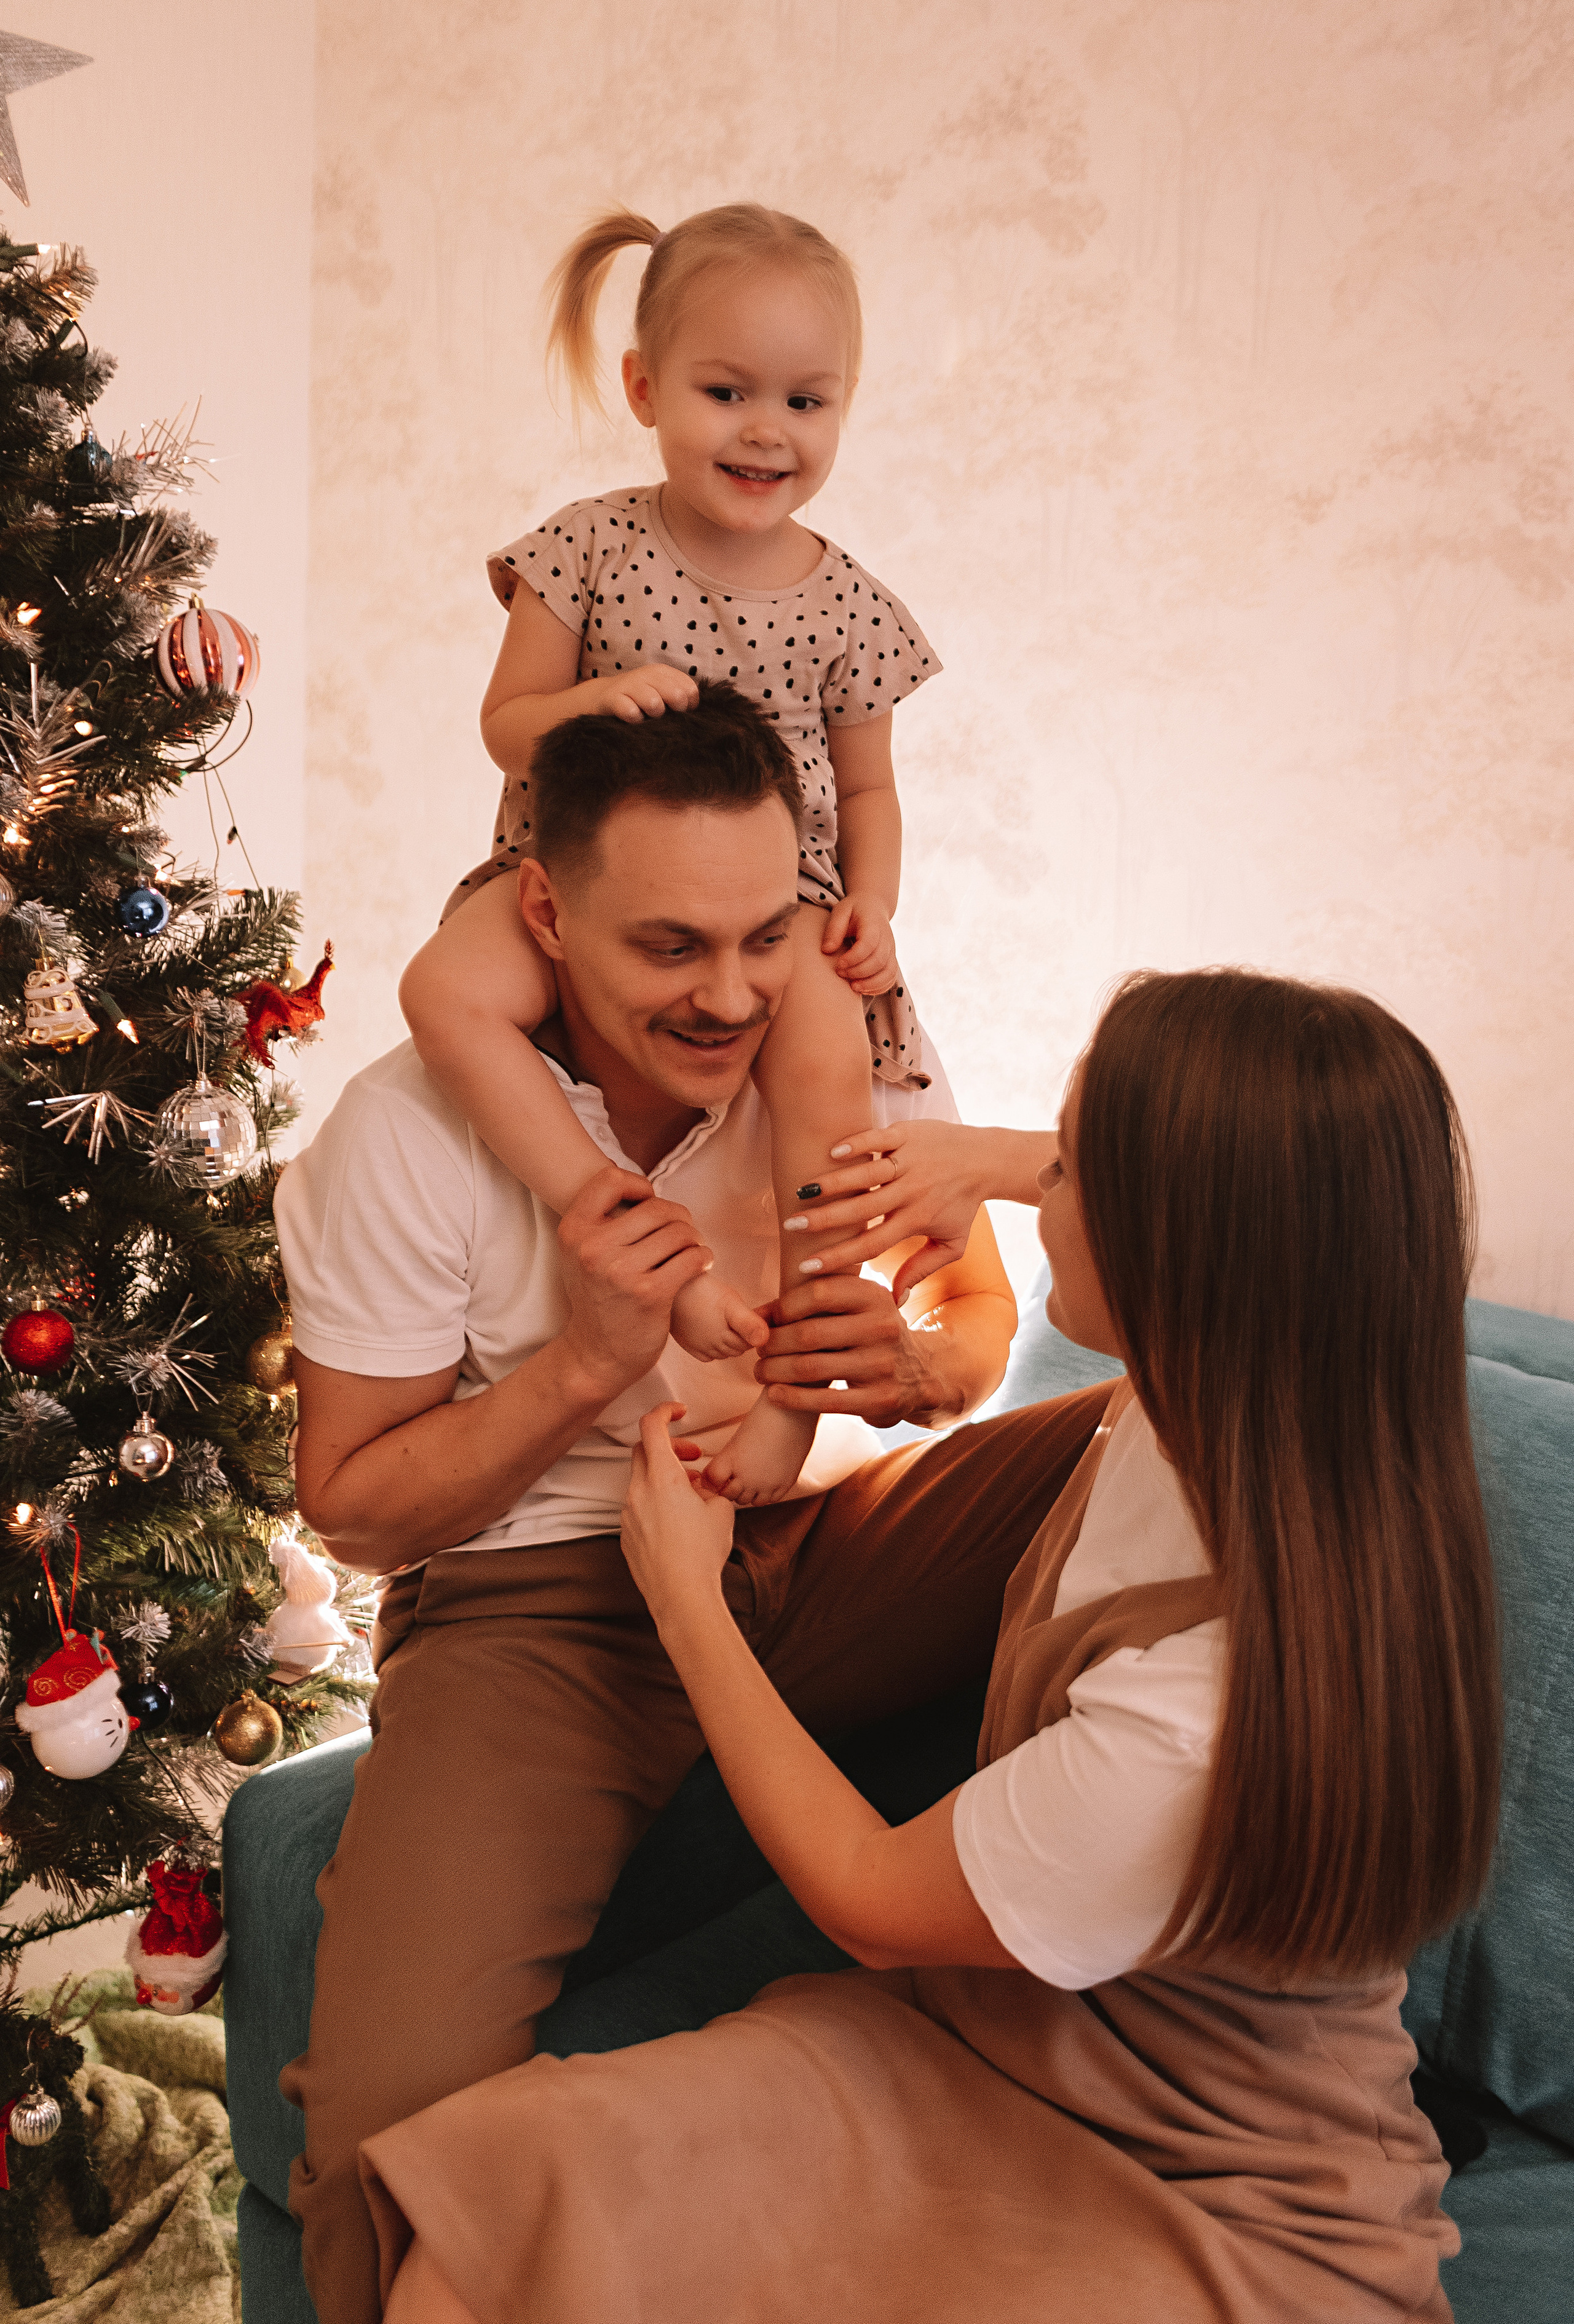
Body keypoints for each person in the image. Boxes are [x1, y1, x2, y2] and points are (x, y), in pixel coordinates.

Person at [363, 969, 1502, 2324]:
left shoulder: (1199, 1716)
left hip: (1214, 2193)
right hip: (987, 2043)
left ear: (1174, 1243)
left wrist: (685, 1596)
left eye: (1065, 1165)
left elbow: (865, 1896)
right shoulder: (1250, 1389)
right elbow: (1263, 1193)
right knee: (481, 2226)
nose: (1033, 1188)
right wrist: (970, 1161)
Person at [272, 682, 1054, 2324]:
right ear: (544, 915)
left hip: (824, 1538)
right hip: (547, 1602)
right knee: (384, 2121)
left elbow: (975, 1313)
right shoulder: (406, 1135)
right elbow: (351, 1509)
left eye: (765, 936)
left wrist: (922, 1372)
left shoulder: (831, 1032)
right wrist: (582, 1366)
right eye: (670, 948)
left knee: (1155, 1433)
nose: (730, 994)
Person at [399, 200, 942, 1507]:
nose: (766, 431)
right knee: (442, 992)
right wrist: (589, 702)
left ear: (845, 405)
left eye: (806, 402)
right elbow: (505, 725)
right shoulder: (585, 547)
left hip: (776, 903)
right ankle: (623, 1220)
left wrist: (869, 902)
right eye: (725, 392)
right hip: (570, 873)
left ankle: (796, 1392)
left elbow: (868, 785)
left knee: (826, 1078)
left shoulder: (850, 605)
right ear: (645, 389)